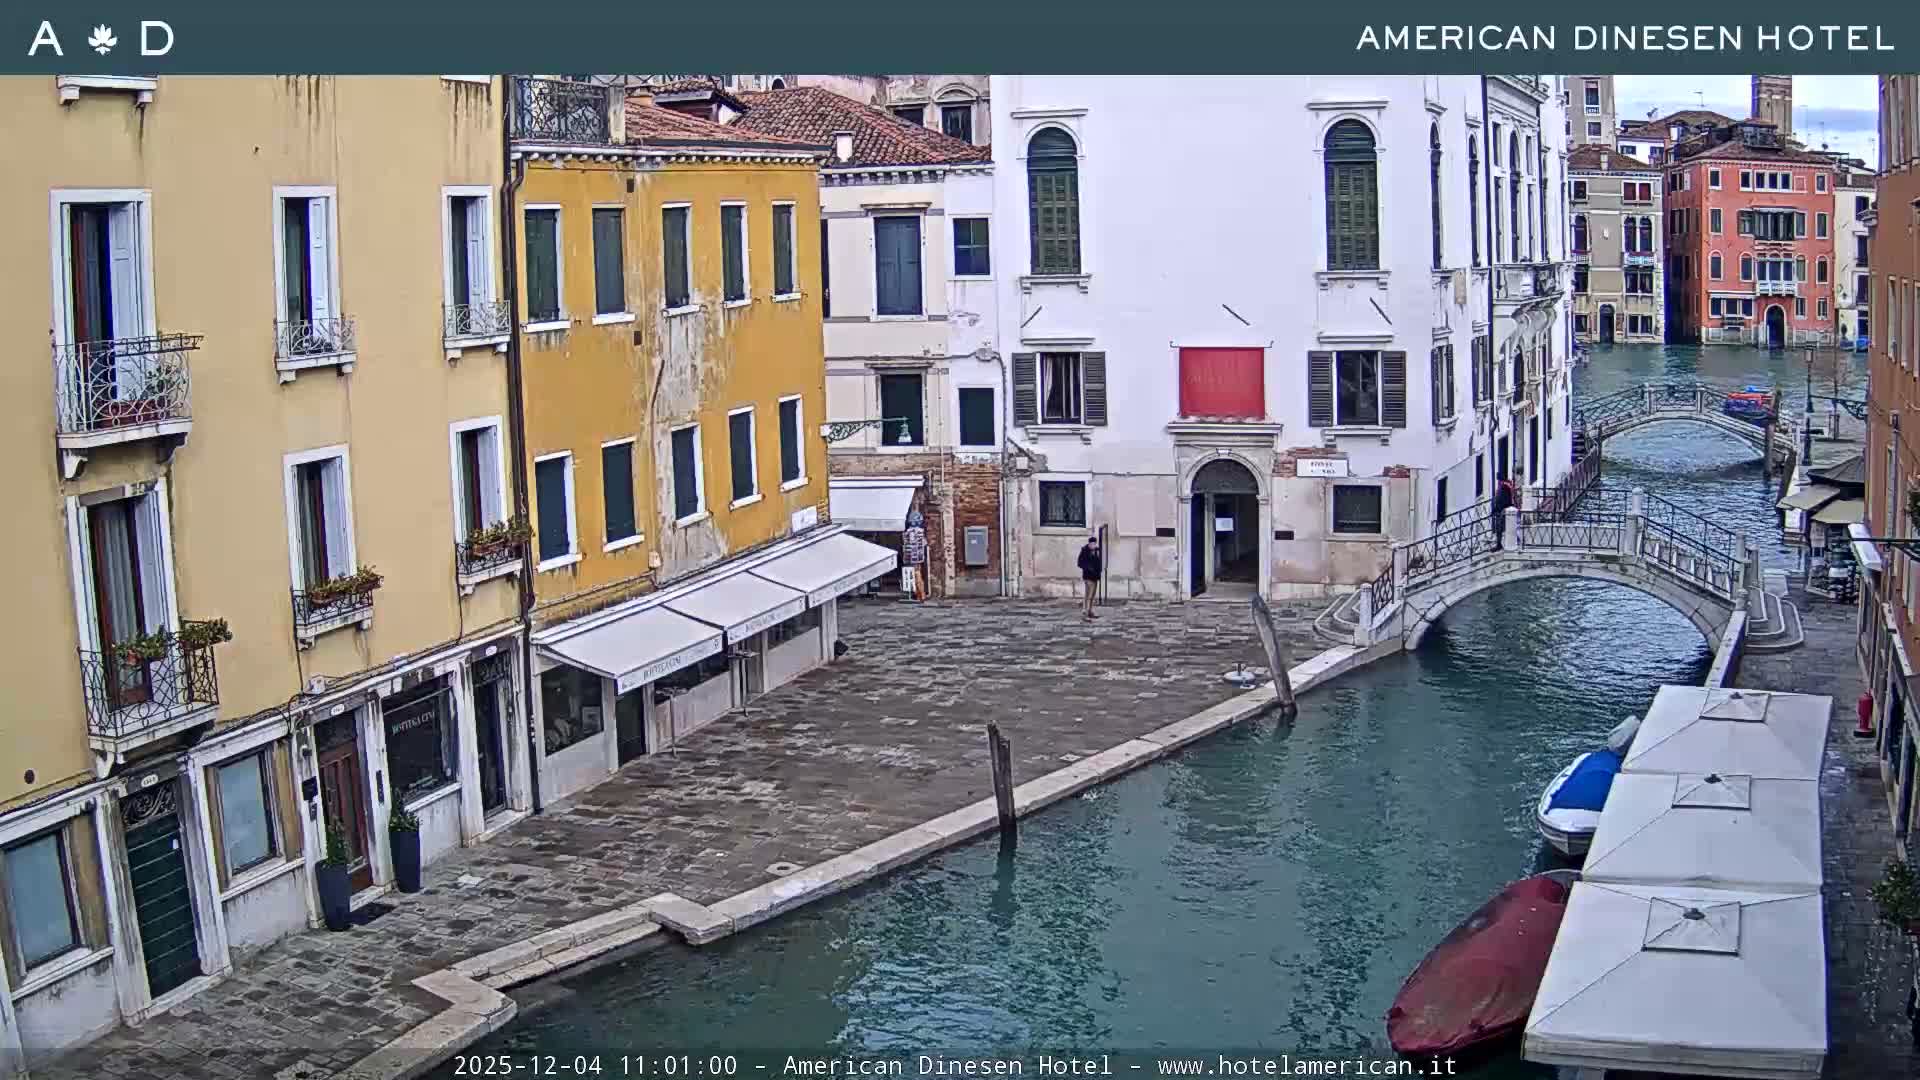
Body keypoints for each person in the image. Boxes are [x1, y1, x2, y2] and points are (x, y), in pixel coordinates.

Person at [1077, 535, 1103, 620]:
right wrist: (1088, 567)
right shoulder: (1084, 551)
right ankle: (1086, 612)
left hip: (1095, 576)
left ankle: (1090, 610)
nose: (1093, 545)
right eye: (1092, 544)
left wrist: (1099, 571)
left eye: (1094, 544)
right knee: (1089, 594)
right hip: (1088, 576)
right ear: (1089, 544)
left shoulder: (1097, 551)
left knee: (1092, 595)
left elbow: (1099, 562)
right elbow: (1079, 563)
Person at [1490, 476, 1514, 549]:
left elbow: (1503, 501)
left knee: (1501, 529)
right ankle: (1499, 544)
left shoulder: (1504, 489)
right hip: (1500, 511)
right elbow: (1498, 500)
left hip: (1501, 511)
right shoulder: (1503, 488)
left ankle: (1502, 544)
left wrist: (1498, 510)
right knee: (1499, 529)